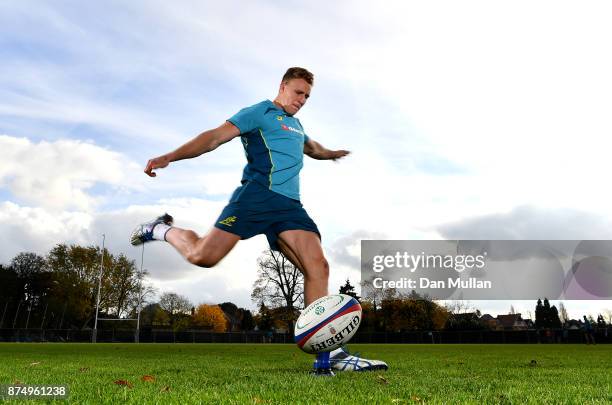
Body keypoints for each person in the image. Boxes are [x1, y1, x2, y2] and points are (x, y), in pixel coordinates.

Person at [130, 67, 387, 375]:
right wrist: (170, 156)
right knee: (203, 256)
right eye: (298, 92)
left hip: (290, 207)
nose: (302, 99)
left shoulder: (296, 125)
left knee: (318, 267)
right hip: (255, 198)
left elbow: (312, 147)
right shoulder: (259, 112)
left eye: (307, 96)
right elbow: (213, 138)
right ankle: (160, 228)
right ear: (283, 86)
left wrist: (331, 153)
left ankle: (329, 357)